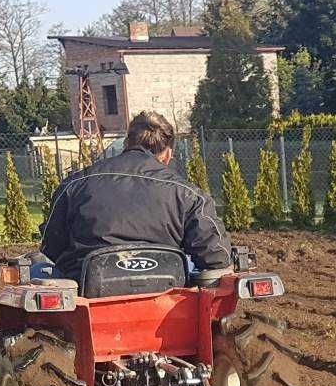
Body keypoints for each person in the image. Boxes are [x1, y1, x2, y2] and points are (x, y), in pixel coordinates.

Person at [38, 111, 232, 284]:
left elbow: (51, 246)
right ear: (167, 155)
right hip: (167, 290)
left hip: (87, 289)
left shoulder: (76, 184)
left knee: (37, 270)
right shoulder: (188, 194)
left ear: (126, 144)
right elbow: (216, 256)